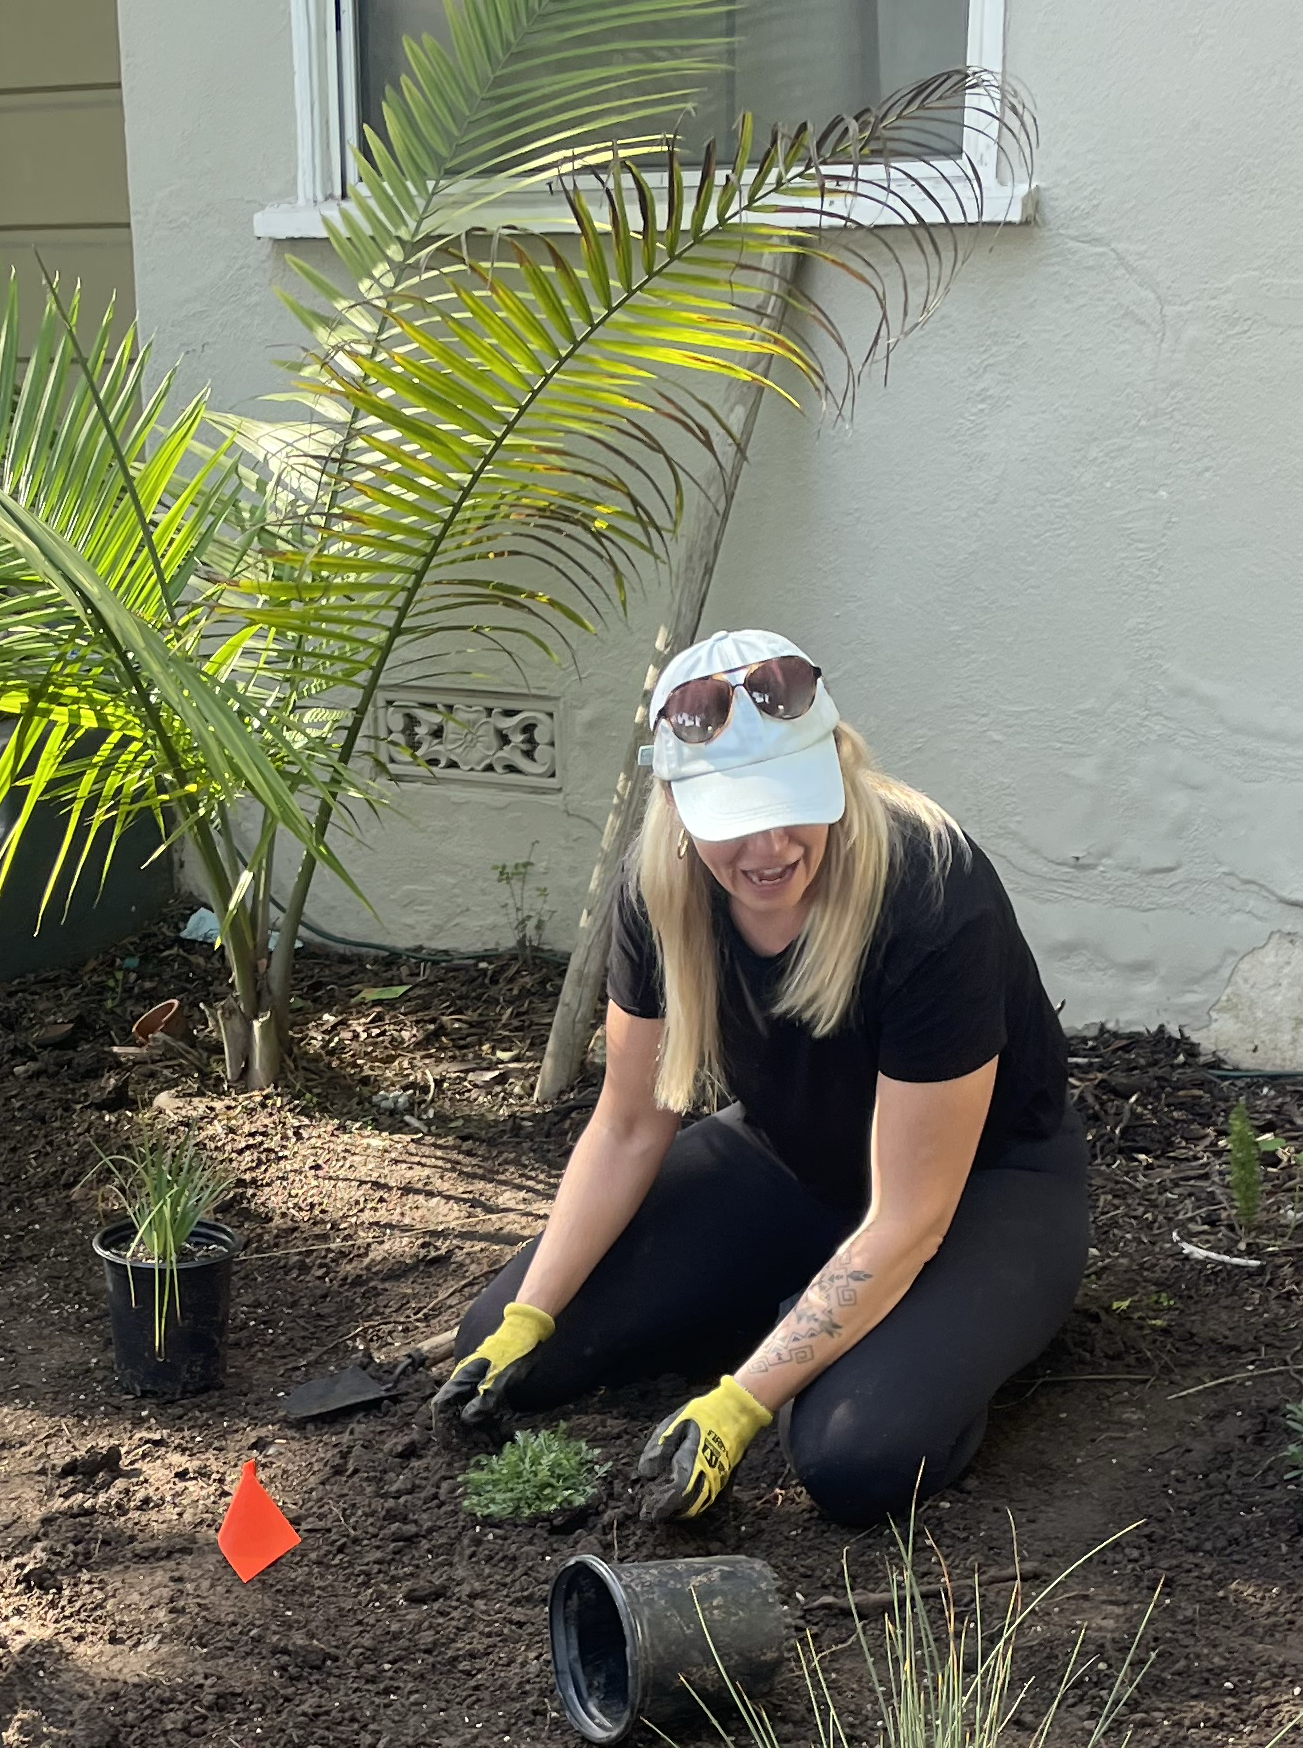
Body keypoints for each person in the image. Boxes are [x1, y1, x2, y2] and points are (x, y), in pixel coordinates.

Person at [435, 631, 1083, 1524]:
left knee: (856, 1454)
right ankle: (797, 1308)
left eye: (794, 805)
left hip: (982, 1194)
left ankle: (956, 1330)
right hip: (791, 1162)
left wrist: (743, 1403)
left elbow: (908, 1216)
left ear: (838, 769)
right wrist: (529, 1318)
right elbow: (627, 1126)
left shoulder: (933, 893)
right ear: (676, 800)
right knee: (504, 1351)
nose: (770, 847)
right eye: (734, 819)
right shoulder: (657, 889)